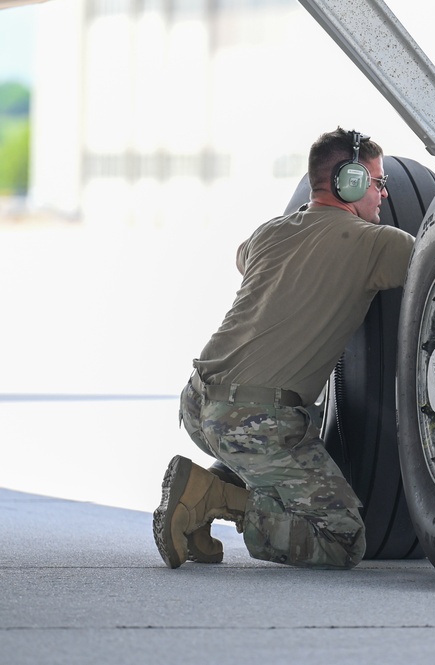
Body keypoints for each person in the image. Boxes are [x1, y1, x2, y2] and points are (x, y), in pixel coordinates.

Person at [153, 128, 414, 569]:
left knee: (267, 464)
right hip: (256, 421)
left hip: (199, 403)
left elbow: (244, 259)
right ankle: (214, 498)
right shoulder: (378, 242)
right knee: (342, 540)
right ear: (348, 182)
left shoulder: (268, 233)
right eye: (377, 182)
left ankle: (198, 500)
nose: (384, 195)